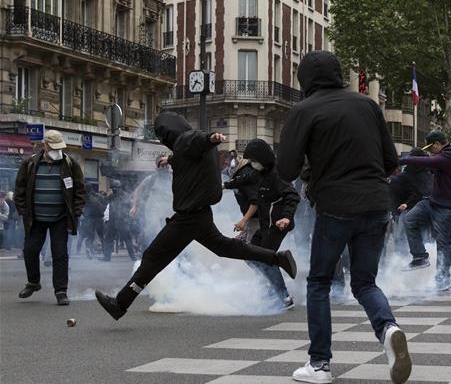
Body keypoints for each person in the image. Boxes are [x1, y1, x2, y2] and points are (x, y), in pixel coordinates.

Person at [276, 50, 411, 384]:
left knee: (319, 281)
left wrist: (311, 166)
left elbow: (285, 169)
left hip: (335, 205)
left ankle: (320, 364)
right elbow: (391, 160)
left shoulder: (304, 110)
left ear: (304, 78)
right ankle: (388, 329)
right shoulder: (367, 105)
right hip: (377, 204)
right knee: (365, 282)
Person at [95, 111, 297, 320]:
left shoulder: (188, 140)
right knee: (225, 247)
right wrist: (170, 159)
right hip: (201, 214)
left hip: (187, 218)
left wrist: (211, 137)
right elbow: (189, 153)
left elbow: (194, 141)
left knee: (152, 258)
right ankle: (276, 258)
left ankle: (120, 303)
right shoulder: (191, 149)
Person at [14, 129, 86, 305]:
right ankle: (33, 282)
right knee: (30, 251)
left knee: (60, 254)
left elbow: (80, 190)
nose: (56, 150)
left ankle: (61, 291)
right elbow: (20, 189)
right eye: (53, 147)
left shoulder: (70, 164)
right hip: (35, 218)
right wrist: (23, 210)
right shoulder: (30, 163)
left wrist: (76, 212)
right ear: (44, 145)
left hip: (60, 218)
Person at [399, 130, 451, 291]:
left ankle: (443, 280)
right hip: (433, 202)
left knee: (443, 242)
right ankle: (419, 256)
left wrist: (402, 160)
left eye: (431, 148)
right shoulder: (447, 155)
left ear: (438, 144)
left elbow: (427, 162)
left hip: (447, 207)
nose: (430, 151)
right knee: (409, 219)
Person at [234, 138, 300, 309]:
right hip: (265, 225)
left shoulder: (277, 175)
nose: (252, 164)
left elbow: (292, 195)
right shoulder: (259, 173)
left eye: (254, 161)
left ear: (262, 159)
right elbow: (244, 180)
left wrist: (286, 217)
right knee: (249, 254)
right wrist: (225, 185)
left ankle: (284, 297)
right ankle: (270, 286)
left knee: (265, 258)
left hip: (277, 224)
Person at [102, 179, 137, 261]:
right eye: (113, 188)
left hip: (123, 221)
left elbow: (131, 206)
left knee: (127, 239)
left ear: (119, 188)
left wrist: (129, 217)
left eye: (115, 188)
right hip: (113, 220)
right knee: (108, 238)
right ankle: (107, 257)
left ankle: (133, 257)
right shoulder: (112, 196)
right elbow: (103, 203)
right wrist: (107, 196)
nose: (114, 190)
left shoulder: (126, 196)